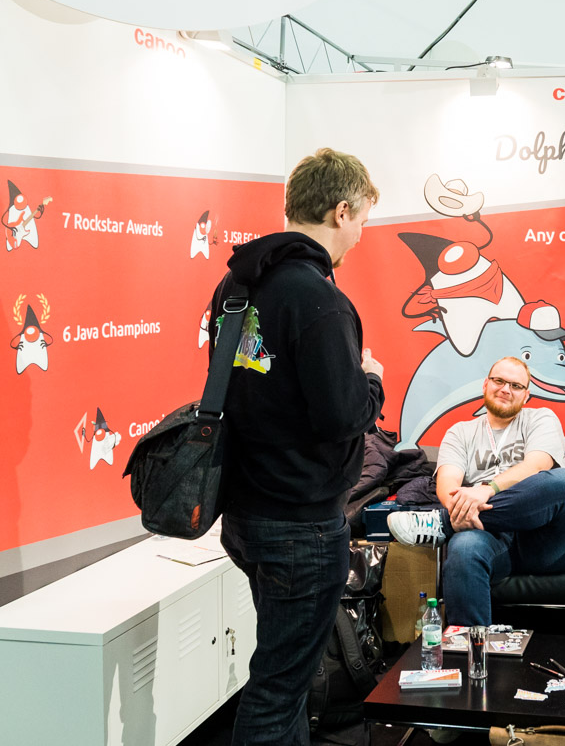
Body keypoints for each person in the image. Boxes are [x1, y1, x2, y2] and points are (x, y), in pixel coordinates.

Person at [207, 148, 385, 746]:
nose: (359, 236)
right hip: (300, 527)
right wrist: (372, 379)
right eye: (361, 221)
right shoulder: (320, 300)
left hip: (245, 514)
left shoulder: (236, 285)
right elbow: (343, 416)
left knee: (286, 683)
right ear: (341, 211)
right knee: (278, 691)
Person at [387, 356, 565, 627]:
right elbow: (448, 487)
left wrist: (487, 489)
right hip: (488, 535)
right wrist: (460, 506)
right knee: (464, 547)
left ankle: (443, 524)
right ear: (485, 384)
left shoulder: (541, 418)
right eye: (499, 381)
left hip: (547, 541)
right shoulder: (460, 433)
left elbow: (536, 465)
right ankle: (470, 649)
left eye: (516, 385)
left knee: (564, 481)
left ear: (527, 395)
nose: (506, 389)